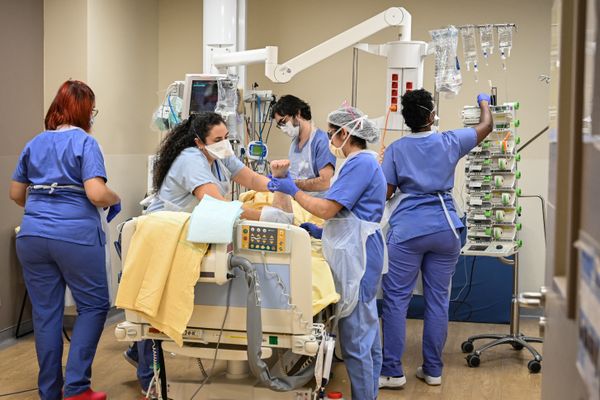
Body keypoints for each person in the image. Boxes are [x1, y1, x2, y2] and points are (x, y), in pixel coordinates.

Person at [125, 112, 291, 397]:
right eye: (218, 139)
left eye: (226, 137)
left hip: (188, 230)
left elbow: (248, 177)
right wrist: (267, 215)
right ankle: (147, 376)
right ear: (199, 142)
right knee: (152, 308)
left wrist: (278, 184)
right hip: (161, 234)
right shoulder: (191, 158)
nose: (224, 143)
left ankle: (136, 354)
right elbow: (216, 202)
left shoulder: (218, 151)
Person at [9, 80, 121, 400]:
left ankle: (50, 393)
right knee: (94, 306)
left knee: (46, 314)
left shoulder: (34, 143)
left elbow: (17, 194)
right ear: (86, 110)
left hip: (31, 237)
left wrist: (43, 207)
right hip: (74, 237)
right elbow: (96, 193)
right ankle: (77, 388)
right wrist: (115, 197)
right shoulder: (85, 143)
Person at [268, 106, 387, 400]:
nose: (330, 139)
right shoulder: (361, 163)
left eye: (333, 133)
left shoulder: (360, 164)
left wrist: (291, 189)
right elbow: (347, 214)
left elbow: (327, 207)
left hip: (357, 255)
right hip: (359, 246)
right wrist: (323, 231)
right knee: (366, 330)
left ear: (345, 133)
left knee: (357, 337)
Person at [378, 89, 493, 389]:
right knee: (438, 302)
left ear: (406, 119)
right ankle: (433, 370)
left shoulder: (396, 149)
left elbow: (386, 193)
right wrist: (484, 102)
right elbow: (487, 126)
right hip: (445, 229)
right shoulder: (450, 140)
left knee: (396, 301)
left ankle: (392, 371)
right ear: (431, 116)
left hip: (407, 232)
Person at [271, 95, 336, 196]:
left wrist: (293, 184)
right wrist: (279, 177)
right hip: (298, 203)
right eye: (280, 126)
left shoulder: (321, 141)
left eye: (283, 122)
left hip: (316, 205)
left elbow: (325, 183)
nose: (283, 128)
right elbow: (294, 174)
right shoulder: (294, 143)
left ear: (297, 113)